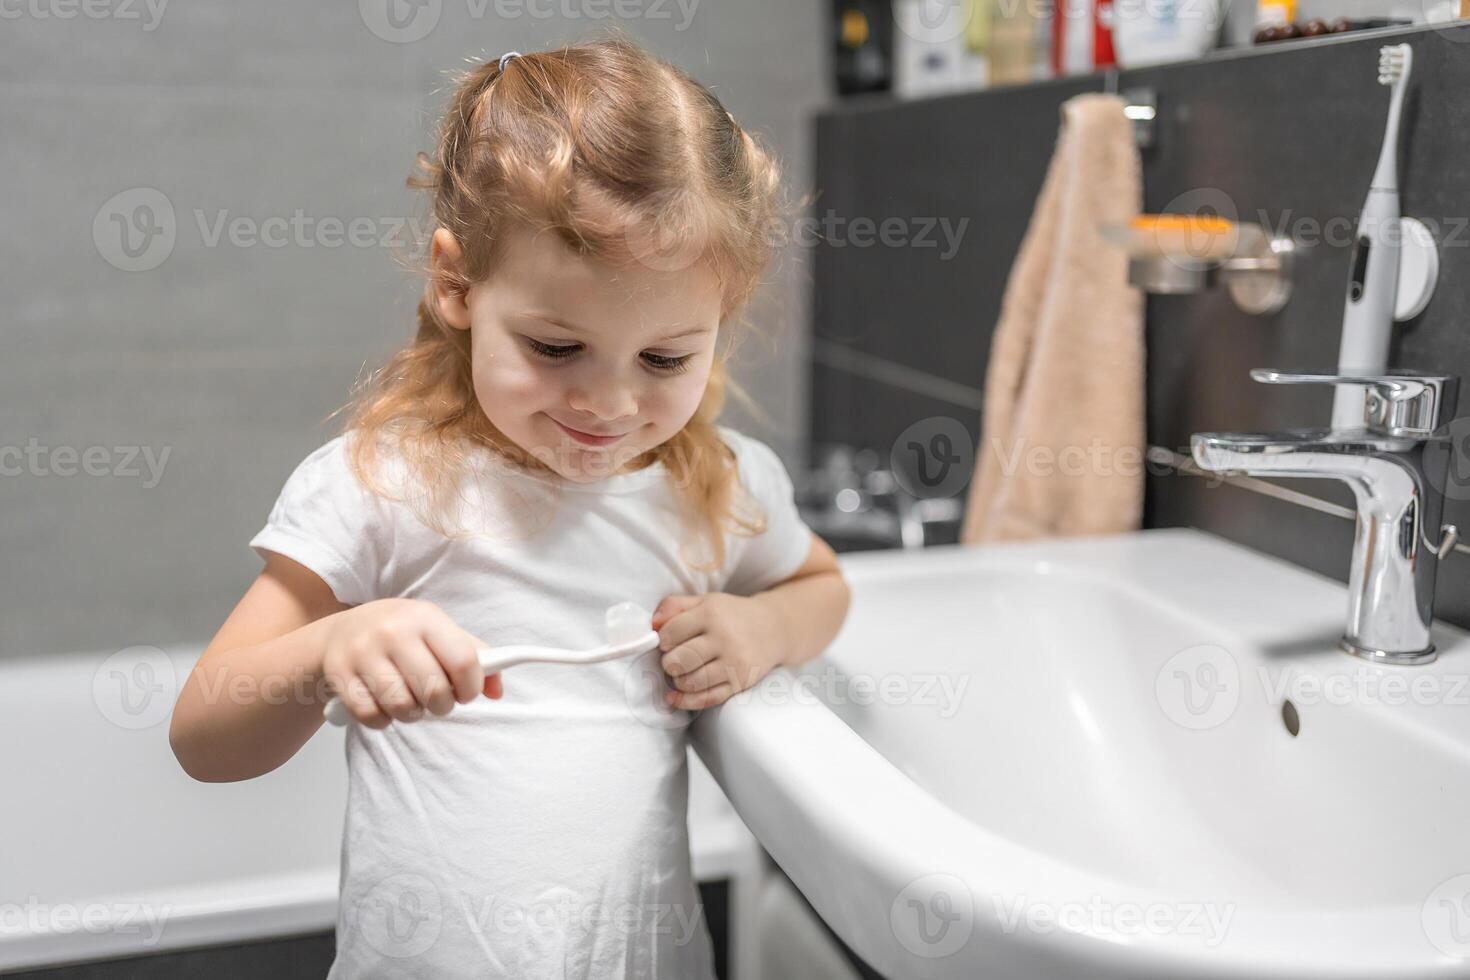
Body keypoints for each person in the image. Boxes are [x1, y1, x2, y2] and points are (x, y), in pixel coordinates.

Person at [168, 34, 851, 979]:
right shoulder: (386, 485)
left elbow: (822, 588)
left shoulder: (712, 487)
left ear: (720, 322)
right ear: (457, 284)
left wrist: (763, 626)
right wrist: (332, 647)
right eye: (556, 348)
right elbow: (205, 734)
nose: (610, 406)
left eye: (664, 359)